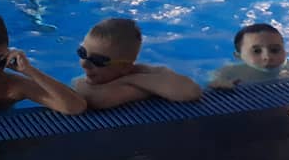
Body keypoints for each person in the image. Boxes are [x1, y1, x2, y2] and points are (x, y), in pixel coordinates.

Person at [73, 18, 202, 109]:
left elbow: (192, 91)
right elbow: (90, 97)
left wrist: (131, 79)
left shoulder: (143, 72)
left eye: (98, 60)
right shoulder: (86, 81)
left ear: (125, 67)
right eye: (82, 52)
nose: (84, 64)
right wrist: (131, 83)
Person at [210, 23, 289, 89]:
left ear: (286, 52)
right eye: (257, 51)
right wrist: (219, 84)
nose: (267, 57)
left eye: (274, 50)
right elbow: (211, 85)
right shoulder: (227, 73)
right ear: (239, 56)